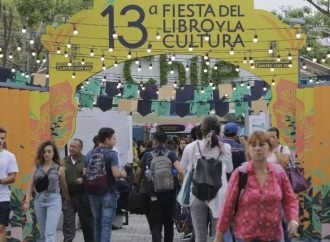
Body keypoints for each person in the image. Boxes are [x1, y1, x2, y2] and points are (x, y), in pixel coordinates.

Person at [214, 131, 299, 242]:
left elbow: (289, 200)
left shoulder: (278, 173)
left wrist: (293, 219)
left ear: (269, 148)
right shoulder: (240, 174)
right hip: (245, 237)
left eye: (262, 144)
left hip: (273, 236)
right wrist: (219, 235)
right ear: (248, 149)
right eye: (253, 145)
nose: (257, 148)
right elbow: (228, 206)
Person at [134, 130, 185, 242]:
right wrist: (181, 183)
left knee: (156, 222)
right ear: (165, 140)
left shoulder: (147, 155)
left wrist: (136, 185)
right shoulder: (171, 154)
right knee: (168, 222)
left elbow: (138, 173)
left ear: (154, 140)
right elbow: (181, 171)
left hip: (152, 193)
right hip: (169, 193)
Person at [189, 116, 233, 242]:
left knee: (200, 237)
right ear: (219, 130)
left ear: (201, 130)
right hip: (218, 194)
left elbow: (192, 167)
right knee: (217, 236)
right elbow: (229, 169)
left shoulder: (194, 146)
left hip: (198, 192)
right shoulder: (226, 148)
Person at [85, 127, 127, 242]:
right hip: (108, 192)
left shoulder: (89, 154)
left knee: (97, 223)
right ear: (107, 139)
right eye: (113, 138)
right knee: (106, 224)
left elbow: (85, 173)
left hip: (93, 193)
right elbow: (116, 174)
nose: (115, 141)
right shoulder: (112, 154)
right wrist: (123, 173)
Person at [24, 140, 70, 242]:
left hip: (54, 200)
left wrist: (67, 199)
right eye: (44, 152)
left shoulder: (59, 169)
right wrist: (27, 201)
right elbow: (30, 185)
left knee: (49, 233)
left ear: (54, 153)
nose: (46, 154)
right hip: (39, 200)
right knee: (43, 234)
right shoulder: (37, 167)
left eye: (49, 151)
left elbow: (63, 185)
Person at [62, 139, 94, 242]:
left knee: (87, 223)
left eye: (74, 147)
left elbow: (92, 177)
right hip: (68, 197)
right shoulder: (64, 160)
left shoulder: (86, 160)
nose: (71, 148)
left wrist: (83, 180)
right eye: (70, 146)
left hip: (83, 197)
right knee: (68, 223)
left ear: (80, 148)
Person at [0, 127, 19, 242]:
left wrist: (1, 181)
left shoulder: (10, 156)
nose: (0, 140)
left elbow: (13, 177)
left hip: (3, 197)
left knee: (1, 228)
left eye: (2, 138)